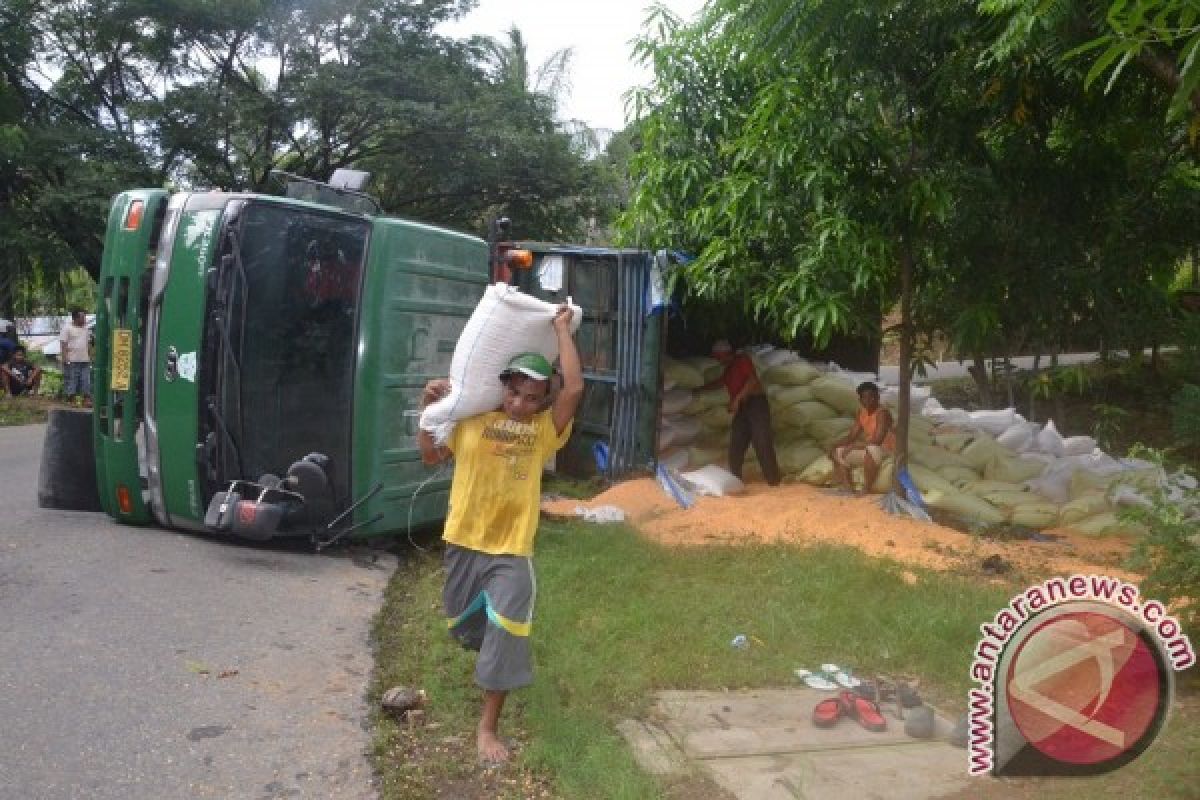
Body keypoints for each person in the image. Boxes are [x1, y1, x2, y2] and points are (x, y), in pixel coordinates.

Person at [416, 306, 583, 766]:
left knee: (508, 629)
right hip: (465, 540)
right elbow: (431, 456)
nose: (520, 405)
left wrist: (562, 330)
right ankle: (489, 654)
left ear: (542, 400)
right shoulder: (471, 420)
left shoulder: (544, 433)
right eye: (514, 393)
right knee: (462, 624)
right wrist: (427, 408)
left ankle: (488, 727)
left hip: (512, 548)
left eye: (532, 397)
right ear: (502, 387)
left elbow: (575, 387)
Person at [699, 340, 781, 486]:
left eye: (719, 357)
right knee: (736, 445)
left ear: (726, 354)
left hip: (757, 404)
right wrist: (700, 389)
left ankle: (774, 481)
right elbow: (720, 383)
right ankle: (735, 480)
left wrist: (736, 400)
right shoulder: (729, 369)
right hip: (743, 409)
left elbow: (752, 381)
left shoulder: (742, 360)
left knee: (762, 442)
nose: (718, 361)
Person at [830, 382, 895, 494]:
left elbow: (877, 440)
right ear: (860, 400)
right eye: (866, 397)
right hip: (869, 446)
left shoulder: (882, 413)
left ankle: (867, 488)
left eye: (873, 397)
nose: (870, 400)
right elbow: (852, 436)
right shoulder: (861, 412)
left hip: (886, 449)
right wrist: (835, 445)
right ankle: (848, 487)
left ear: (878, 397)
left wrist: (855, 445)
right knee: (839, 451)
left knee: (871, 449)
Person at [60, 309, 92, 405]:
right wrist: (65, 357)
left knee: (86, 380)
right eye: (83, 317)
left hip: (84, 359)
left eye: (85, 317)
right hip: (72, 359)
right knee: (72, 379)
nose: (85, 319)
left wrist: (90, 356)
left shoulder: (86, 329)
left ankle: (86, 399)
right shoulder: (67, 328)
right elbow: (63, 343)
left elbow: (88, 343)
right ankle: (71, 399)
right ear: (75, 318)